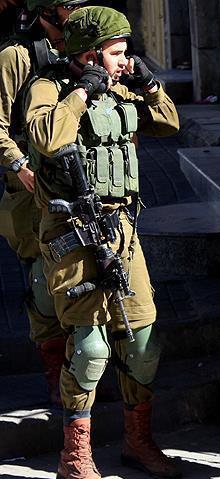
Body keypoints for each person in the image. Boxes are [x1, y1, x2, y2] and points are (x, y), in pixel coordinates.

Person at [24, 6, 180, 479]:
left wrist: (149, 86)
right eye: (116, 53)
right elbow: (46, 137)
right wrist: (81, 92)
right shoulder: (49, 88)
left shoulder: (119, 88)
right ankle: (75, 458)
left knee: (144, 343)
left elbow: (169, 124)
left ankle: (138, 442)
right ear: (90, 55)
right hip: (71, 233)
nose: (125, 60)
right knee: (91, 349)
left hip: (122, 231)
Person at [0, 0, 86, 406]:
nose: (77, 13)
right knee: (42, 285)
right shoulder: (16, 56)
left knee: (83, 281)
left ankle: (81, 377)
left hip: (77, 182)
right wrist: (20, 166)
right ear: (47, 11)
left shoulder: (82, 46)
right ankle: (56, 376)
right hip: (32, 189)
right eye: (70, 6)